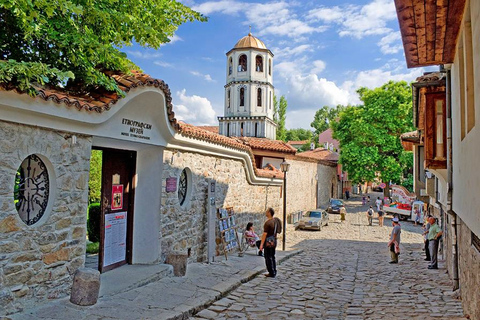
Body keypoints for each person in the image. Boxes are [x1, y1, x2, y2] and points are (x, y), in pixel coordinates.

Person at [259, 208, 282, 278]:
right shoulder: (275, 221)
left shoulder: (268, 223)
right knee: (272, 256)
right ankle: (274, 270)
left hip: (268, 242)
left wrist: (261, 244)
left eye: (266, 211)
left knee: (268, 257)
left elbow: (265, 234)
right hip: (274, 241)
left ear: (269, 212)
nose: (265, 212)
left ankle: (271, 272)